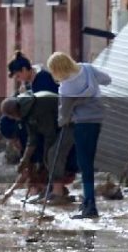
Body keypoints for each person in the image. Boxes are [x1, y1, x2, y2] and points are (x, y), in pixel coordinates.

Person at [46, 52, 111, 220]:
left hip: (81, 124)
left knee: (85, 164)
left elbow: (64, 115)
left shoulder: (66, 87)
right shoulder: (88, 69)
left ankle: (90, 205)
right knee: (88, 161)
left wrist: (63, 119)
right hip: (97, 120)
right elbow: (107, 80)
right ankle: (88, 203)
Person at [0, 92, 75, 204]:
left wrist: (45, 156)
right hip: (59, 126)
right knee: (48, 157)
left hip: (73, 122)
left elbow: (50, 135)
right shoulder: (26, 112)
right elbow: (32, 137)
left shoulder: (38, 107)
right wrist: (25, 159)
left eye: (13, 117)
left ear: (15, 112)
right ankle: (51, 190)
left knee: (53, 154)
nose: (15, 120)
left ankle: (58, 194)